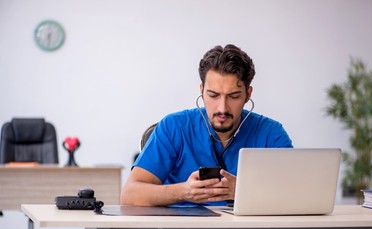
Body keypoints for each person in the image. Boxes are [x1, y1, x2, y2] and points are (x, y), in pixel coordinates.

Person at [121, 44, 293, 207]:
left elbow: (295, 195)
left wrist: (242, 191)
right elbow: (130, 195)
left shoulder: (272, 134)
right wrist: (183, 192)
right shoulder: (174, 127)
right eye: (213, 95)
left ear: (248, 95)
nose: (222, 108)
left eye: (233, 96)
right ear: (202, 90)